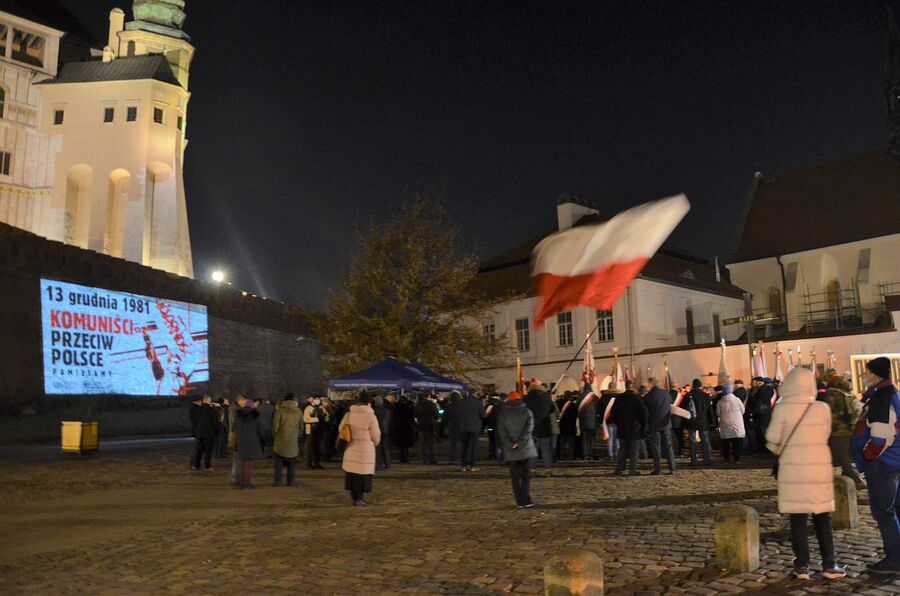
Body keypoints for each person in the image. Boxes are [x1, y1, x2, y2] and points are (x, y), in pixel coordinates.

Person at [766, 367, 846, 580]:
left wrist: (785, 449)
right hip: (819, 468)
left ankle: (801, 566)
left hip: (793, 469)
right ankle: (830, 564)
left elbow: (772, 439)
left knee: (798, 520)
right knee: (822, 519)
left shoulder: (782, 409)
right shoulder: (821, 408)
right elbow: (826, 433)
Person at [852, 356, 900, 575]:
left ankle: (894, 559)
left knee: (884, 512)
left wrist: (867, 455)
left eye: (867, 372)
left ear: (876, 375)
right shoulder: (891, 394)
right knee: (894, 509)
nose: (864, 376)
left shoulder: (882, 399)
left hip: (884, 464)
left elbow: (880, 437)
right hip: (893, 461)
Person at [496, 391, 537, 508]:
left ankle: (519, 501)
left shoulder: (503, 414)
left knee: (514, 477)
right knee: (525, 476)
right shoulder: (527, 412)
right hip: (525, 448)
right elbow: (529, 429)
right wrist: (520, 442)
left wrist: (510, 444)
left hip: (511, 450)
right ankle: (526, 499)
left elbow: (501, 432)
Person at [823, 372, 864, 489]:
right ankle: (847, 474)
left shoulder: (831, 394)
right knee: (842, 453)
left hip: (837, 430)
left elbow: (830, 413)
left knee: (841, 455)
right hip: (846, 428)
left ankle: (855, 478)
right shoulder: (846, 393)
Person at [341, 392, 382, 506]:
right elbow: (376, 434)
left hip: (351, 446)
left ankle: (354, 497)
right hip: (365, 449)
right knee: (362, 474)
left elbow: (341, 428)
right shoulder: (371, 416)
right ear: (369, 402)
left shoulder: (349, 414)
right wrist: (375, 443)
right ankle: (359, 498)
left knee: (352, 474)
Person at [609, 380, 648, 475]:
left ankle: (619, 469)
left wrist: (617, 422)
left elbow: (613, 412)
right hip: (635, 428)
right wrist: (643, 425)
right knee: (634, 450)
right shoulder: (637, 398)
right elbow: (644, 413)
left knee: (622, 450)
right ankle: (632, 470)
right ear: (633, 387)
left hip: (622, 427)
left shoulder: (619, 398)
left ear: (626, 386)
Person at [644, 377, 677, 475]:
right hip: (666, 423)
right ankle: (672, 468)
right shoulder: (665, 393)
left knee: (656, 448)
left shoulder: (649, 396)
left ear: (651, 384)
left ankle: (658, 469)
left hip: (654, 425)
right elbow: (670, 404)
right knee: (669, 446)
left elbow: (646, 411)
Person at [524, 380, 554, 476]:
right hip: (545, 426)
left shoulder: (526, 398)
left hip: (532, 428)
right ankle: (547, 470)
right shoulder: (546, 397)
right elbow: (552, 409)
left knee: (533, 450)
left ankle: (532, 470)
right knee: (546, 450)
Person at [272, 393, 302, 486]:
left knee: (278, 462)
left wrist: (275, 436)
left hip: (280, 440)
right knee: (292, 463)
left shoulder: (280, 411)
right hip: (293, 440)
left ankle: (277, 481)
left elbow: (275, 426)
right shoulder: (299, 411)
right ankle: (290, 481)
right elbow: (301, 427)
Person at [682, 380, 713, 467]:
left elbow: (683, 408)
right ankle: (706, 459)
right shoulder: (705, 395)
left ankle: (694, 460)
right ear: (700, 386)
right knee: (705, 441)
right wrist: (712, 421)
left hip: (692, 421)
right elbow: (709, 410)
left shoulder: (689, 395)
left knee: (692, 441)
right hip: (703, 421)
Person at [235, 398, 263, 489]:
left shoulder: (239, 416)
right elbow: (259, 430)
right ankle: (246, 483)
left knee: (242, 463)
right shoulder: (255, 416)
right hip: (252, 441)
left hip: (241, 441)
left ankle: (241, 481)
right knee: (249, 464)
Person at [716, 382, 746, 464]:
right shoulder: (737, 400)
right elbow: (743, 410)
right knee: (737, 442)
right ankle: (737, 459)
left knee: (726, 442)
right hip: (737, 423)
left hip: (725, 423)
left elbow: (718, 413)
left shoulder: (720, 402)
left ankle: (726, 459)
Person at [459, 389, 486, 471]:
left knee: (464, 446)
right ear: (475, 394)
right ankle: (472, 465)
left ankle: (463, 465)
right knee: (473, 447)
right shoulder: (478, 402)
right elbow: (483, 416)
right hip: (475, 427)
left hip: (464, 426)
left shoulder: (462, 402)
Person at [190, 395, 218, 471]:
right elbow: (215, 422)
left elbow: (194, 422)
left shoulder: (198, 410)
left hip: (199, 433)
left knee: (199, 450)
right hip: (209, 433)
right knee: (208, 450)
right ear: (208, 400)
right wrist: (217, 432)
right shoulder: (211, 410)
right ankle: (207, 465)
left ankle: (196, 465)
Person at [749, 377, 776, 453]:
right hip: (767, 412)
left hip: (760, 413)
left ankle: (763, 448)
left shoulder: (760, 390)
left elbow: (757, 401)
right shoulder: (770, 389)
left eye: (754, 382)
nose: (752, 384)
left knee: (760, 431)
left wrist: (752, 397)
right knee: (765, 430)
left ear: (758, 382)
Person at [303, 395, 330, 469]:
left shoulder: (321, 408)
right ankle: (309, 463)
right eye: (315, 399)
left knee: (317, 448)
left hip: (319, 430)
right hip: (310, 431)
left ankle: (317, 463)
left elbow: (327, 417)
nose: (317, 401)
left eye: (318, 399)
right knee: (310, 448)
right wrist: (316, 419)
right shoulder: (308, 408)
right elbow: (305, 419)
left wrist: (325, 418)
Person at [415, 393, 440, 464]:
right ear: (428, 396)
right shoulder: (431, 404)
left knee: (422, 444)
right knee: (430, 444)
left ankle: (423, 459)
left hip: (421, 426)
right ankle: (431, 458)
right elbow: (436, 414)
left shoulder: (418, 404)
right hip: (430, 425)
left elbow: (415, 414)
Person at [392, 395, 417, 463]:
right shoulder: (407, 408)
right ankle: (405, 458)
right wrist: (414, 426)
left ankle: (401, 458)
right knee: (406, 445)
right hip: (406, 428)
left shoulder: (395, 408)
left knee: (400, 444)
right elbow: (411, 418)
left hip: (398, 427)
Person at [445, 392, 462, 465]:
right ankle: (460, 458)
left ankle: (451, 459)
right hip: (461, 426)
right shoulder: (462, 405)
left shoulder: (448, 406)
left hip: (451, 426)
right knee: (460, 444)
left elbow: (445, 417)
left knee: (452, 444)